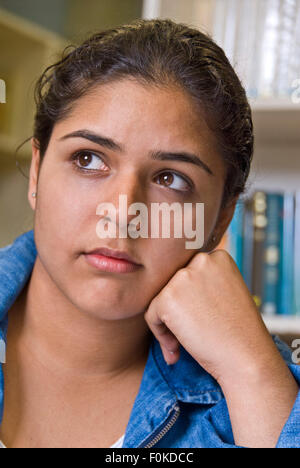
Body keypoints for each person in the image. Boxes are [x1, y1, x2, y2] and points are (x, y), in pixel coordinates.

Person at [0, 18, 299, 449]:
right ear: (37, 173)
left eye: (171, 180)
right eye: (88, 159)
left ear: (218, 222)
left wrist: (251, 369)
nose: (122, 215)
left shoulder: (251, 398)